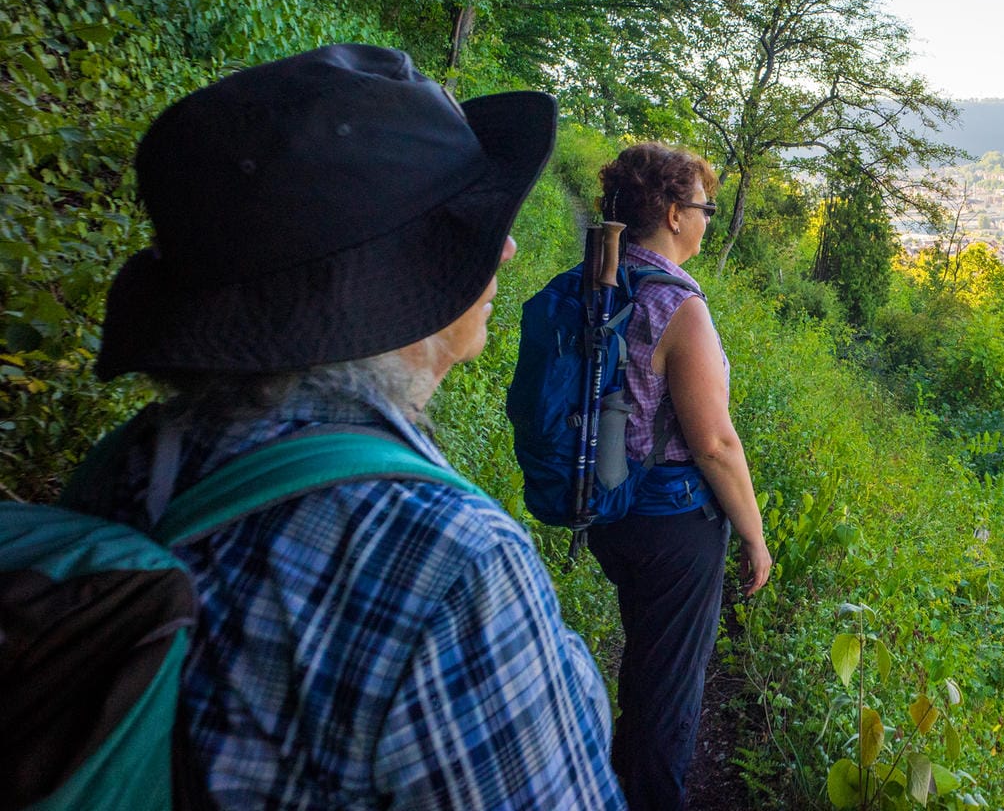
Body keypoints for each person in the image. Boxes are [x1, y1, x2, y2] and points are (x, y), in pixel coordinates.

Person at [66, 45, 625, 808]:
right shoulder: (449, 562)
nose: (505, 247)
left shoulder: (132, 462)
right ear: (391, 290)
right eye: (460, 233)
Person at [587, 142, 772, 809]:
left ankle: (612, 786)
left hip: (612, 508)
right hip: (673, 524)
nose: (708, 219)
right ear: (672, 213)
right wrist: (755, 535)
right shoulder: (680, 306)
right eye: (703, 208)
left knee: (646, 664)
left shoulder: (606, 278)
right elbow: (716, 443)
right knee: (671, 697)